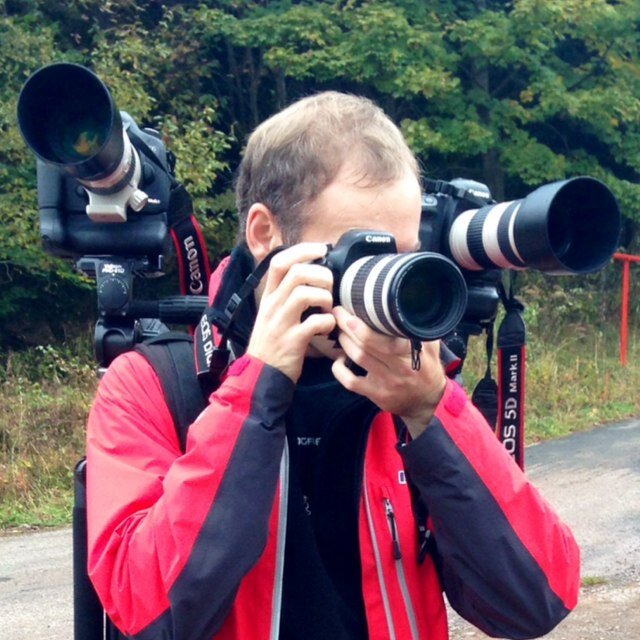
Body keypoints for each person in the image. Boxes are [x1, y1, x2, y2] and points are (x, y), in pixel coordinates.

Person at [86, 92, 580, 640]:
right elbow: (152, 614)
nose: (387, 281)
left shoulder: (412, 386)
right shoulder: (157, 386)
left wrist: (433, 414)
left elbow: (537, 601)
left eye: (403, 254)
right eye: (361, 254)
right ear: (265, 235)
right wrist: (253, 395)